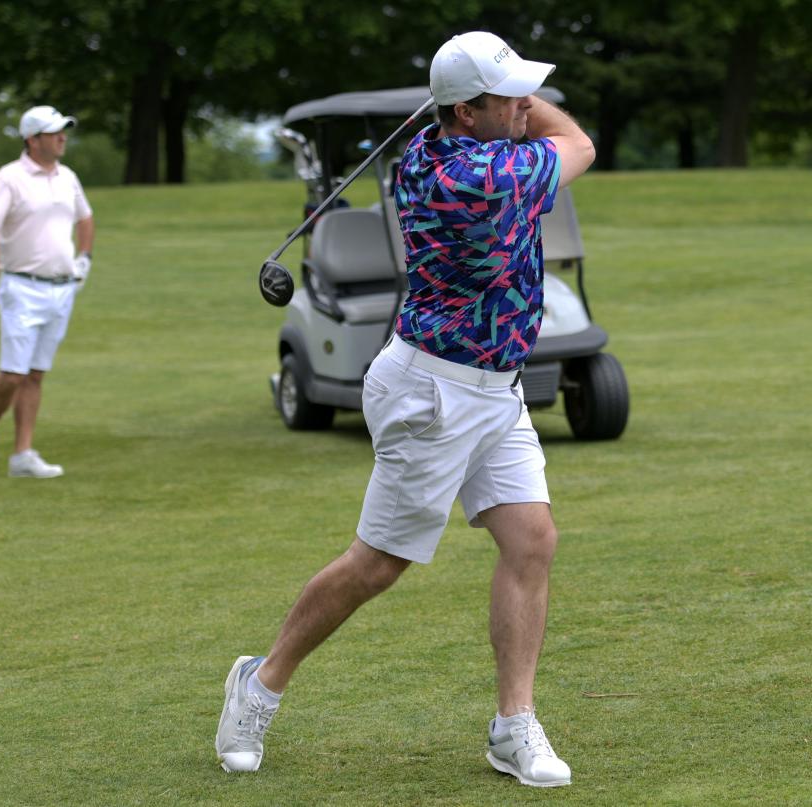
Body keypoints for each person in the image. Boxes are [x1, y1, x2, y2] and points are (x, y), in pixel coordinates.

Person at [216, 31, 595, 788]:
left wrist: (505, 92)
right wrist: (529, 104)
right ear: (463, 111)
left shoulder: (427, 145)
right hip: (434, 391)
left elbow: (518, 118)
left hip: (494, 385)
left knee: (532, 540)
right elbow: (577, 140)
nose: (524, 103)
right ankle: (259, 682)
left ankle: (512, 727)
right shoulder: (480, 176)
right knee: (378, 564)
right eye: (507, 94)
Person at [0, 105, 95, 481]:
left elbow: (85, 218)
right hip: (22, 287)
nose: (62, 137)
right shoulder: (10, 178)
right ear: (32, 140)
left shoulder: (67, 177)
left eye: (63, 131)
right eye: (54, 132)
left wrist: (84, 259)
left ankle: (22, 453)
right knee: (12, 375)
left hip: (61, 289)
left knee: (35, 374)